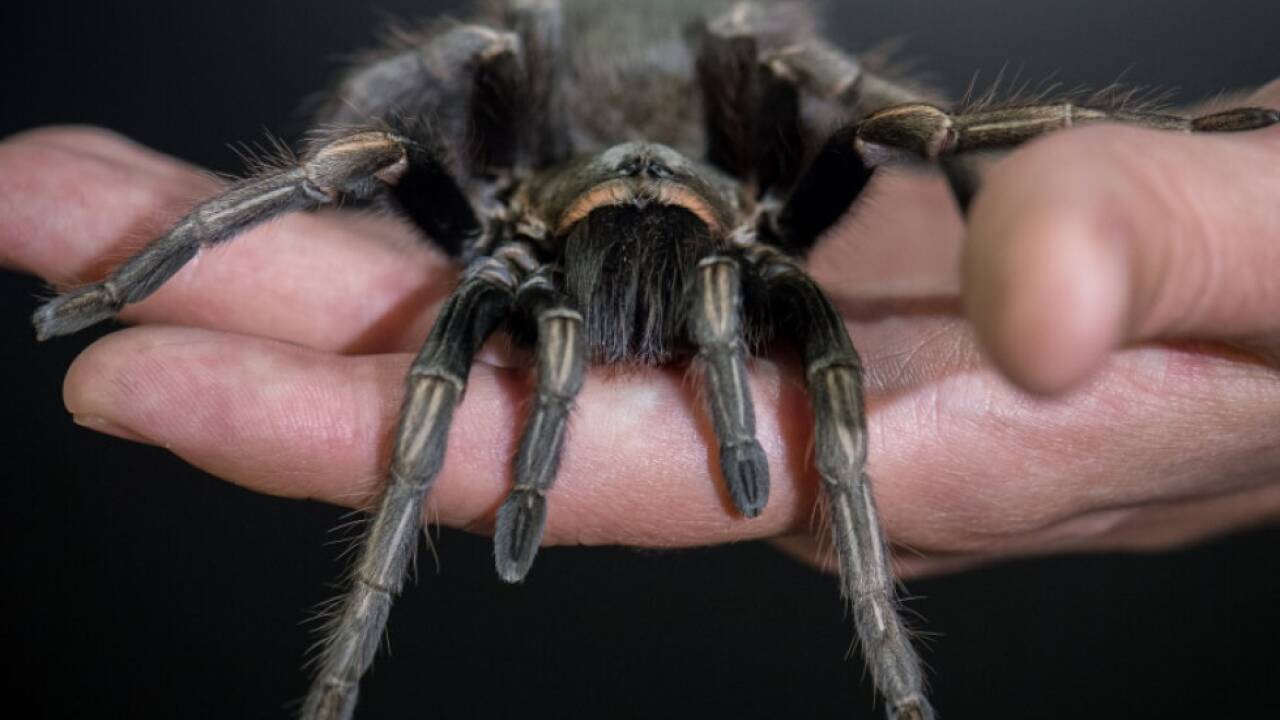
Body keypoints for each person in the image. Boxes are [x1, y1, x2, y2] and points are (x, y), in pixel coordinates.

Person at [0, 79, 1277, 579]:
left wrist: (1182, 150)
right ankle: (344, 668)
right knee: (377, 181)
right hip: (548, 219)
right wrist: (133, 279)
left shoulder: (754, 225)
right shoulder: (509, 219)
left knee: (910, 131)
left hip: (726, 223)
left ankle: (892, 676)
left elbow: (918, 133)